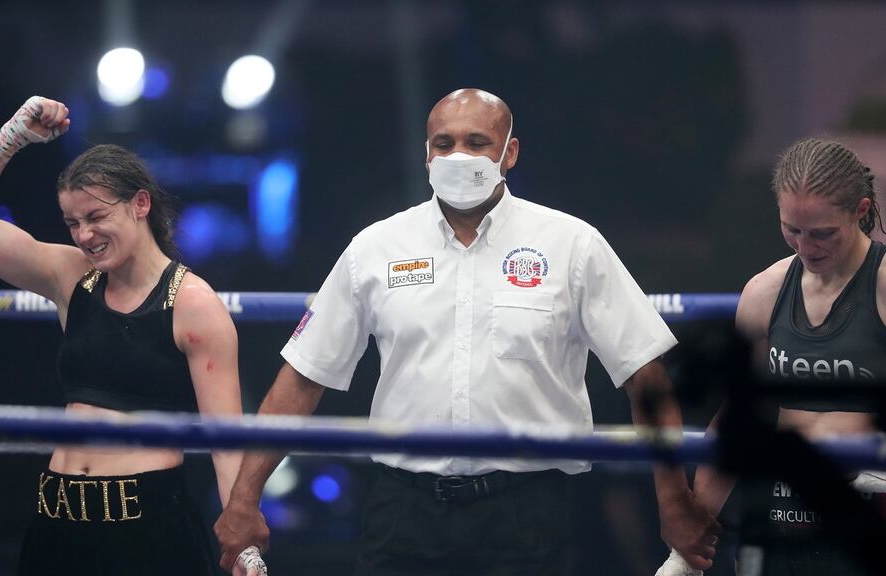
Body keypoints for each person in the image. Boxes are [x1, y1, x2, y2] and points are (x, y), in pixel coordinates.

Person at [214, 88, 719, 575]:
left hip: (529, 512)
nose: (459, 155)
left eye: (477, 142)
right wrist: (243, 501)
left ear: (509, 152)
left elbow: (645, 373)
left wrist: (673, 499)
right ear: (426, 154)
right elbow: (303, 377)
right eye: (444, 143)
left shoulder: (572, 245)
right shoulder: (376, 247)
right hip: (403, 512)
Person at [0, 96, 264, 576]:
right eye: (73, 223)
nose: (84, 236)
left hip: (145, 526)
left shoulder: (194, 304)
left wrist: (244, 544)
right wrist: (11, 139)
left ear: (140, 206)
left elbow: (226, 439)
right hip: (56, 520)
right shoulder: (71, 277)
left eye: (95, 217)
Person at [662, 138, 886, 576]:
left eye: (822, 233)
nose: (806, 247)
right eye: (793, 230)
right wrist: (685, 553)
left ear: (860, 211)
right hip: (781, 521)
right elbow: (735, 418)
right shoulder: (765, 291)